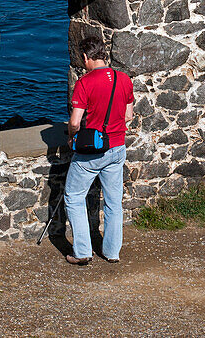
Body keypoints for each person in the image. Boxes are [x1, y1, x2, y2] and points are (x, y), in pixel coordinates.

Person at [64, 35, 134, 265]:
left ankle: (83, 251)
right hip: (117, 147)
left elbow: (75, 122)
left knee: (74, 197)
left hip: (92, 151)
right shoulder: (124, 79)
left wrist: (72, 136)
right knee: (114, 203)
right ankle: (112, 252)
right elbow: (128, 116)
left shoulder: (84, 83)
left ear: (85, 57)